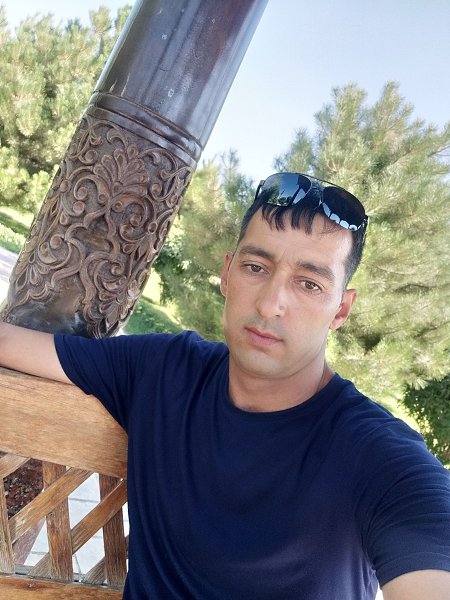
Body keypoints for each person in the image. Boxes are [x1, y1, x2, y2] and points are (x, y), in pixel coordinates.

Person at [1, 172, 450, 599]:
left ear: (341, 309)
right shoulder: (164, 370)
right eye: (256, 267)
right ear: (228, 273)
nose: (271, 304)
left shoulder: (376, 455)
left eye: (310, 284)